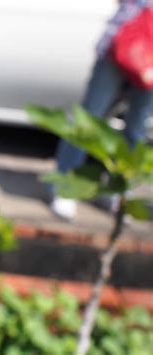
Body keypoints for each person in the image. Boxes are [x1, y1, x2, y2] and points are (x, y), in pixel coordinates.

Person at [51, 0, 153, 220]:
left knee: (136, 130)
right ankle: (65, 186)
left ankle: (117, 193)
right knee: (87, 122)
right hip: (123, 44)